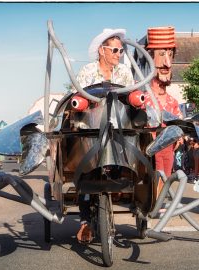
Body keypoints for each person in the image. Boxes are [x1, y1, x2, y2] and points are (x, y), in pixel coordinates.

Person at [75, 28, 134, 244]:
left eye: (121, 50)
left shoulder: (125, 73)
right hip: (90, 129)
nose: (119, 54)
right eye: (115, 50)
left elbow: (132, 98)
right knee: (86, 175)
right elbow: (77, 97)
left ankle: (118, 190)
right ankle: (84, 222)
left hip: (119, 129)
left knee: (123, 166)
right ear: (102, 50)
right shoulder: (87, 71)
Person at [142, 26, 182, 180]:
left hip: (169, 148)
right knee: (156, 176)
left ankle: (162, 201)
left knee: (167, 176)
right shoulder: (143, 99)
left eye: (170, 55)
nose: (167, 63)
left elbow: (179, 124)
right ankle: (157, 201)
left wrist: (179, 136)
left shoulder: (173, 101)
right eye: (161, 55)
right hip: (151, 147)